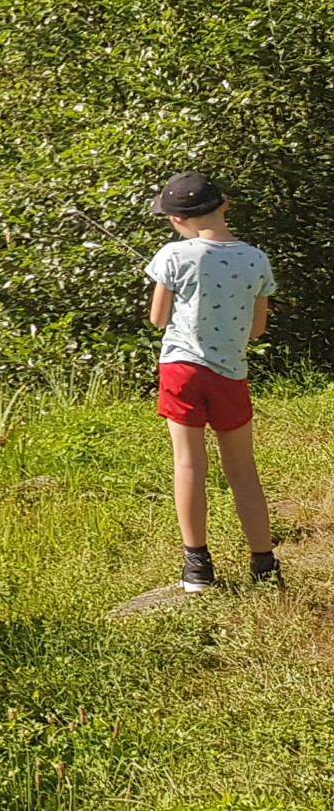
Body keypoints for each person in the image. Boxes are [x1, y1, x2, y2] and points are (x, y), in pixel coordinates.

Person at [144, 171, 280, 591]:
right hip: (230, 375)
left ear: (175, 219)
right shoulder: (256, 258)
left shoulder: (172, 255)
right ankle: (264, 566)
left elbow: (157, 320)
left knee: (189, 465)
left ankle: (197, 568)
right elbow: (257, 330)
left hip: (181, 371)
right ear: (224, 205)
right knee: (243, 471)